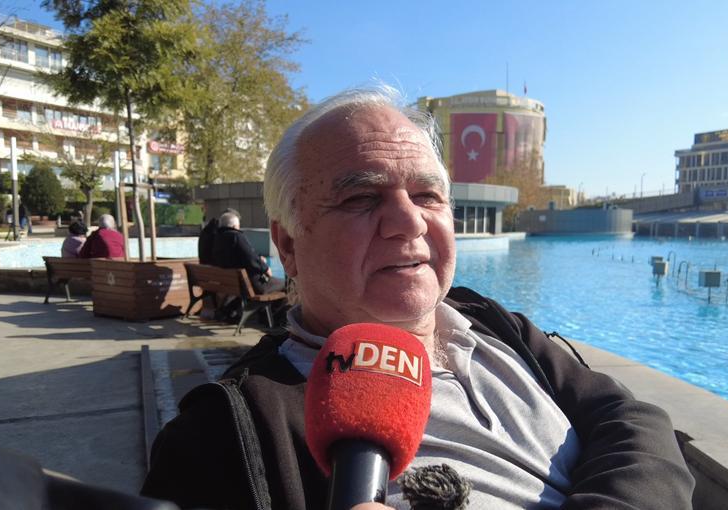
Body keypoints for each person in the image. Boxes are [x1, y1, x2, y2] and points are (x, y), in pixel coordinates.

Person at [141, 86, 695, 509]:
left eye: (428, 194)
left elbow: (634, 420)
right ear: (289, 244)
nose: (409, 221)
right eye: (361, 198)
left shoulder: (493, 324)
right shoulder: (222, 436)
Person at [210, 210, 284, 295]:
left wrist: (258, 259)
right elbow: (251, 258)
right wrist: (265, 268)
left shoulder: (216, 238)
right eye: (238, 226)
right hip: (251, 286)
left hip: (231, 284)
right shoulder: (236, 236)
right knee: (285, 284)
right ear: (234, 226)